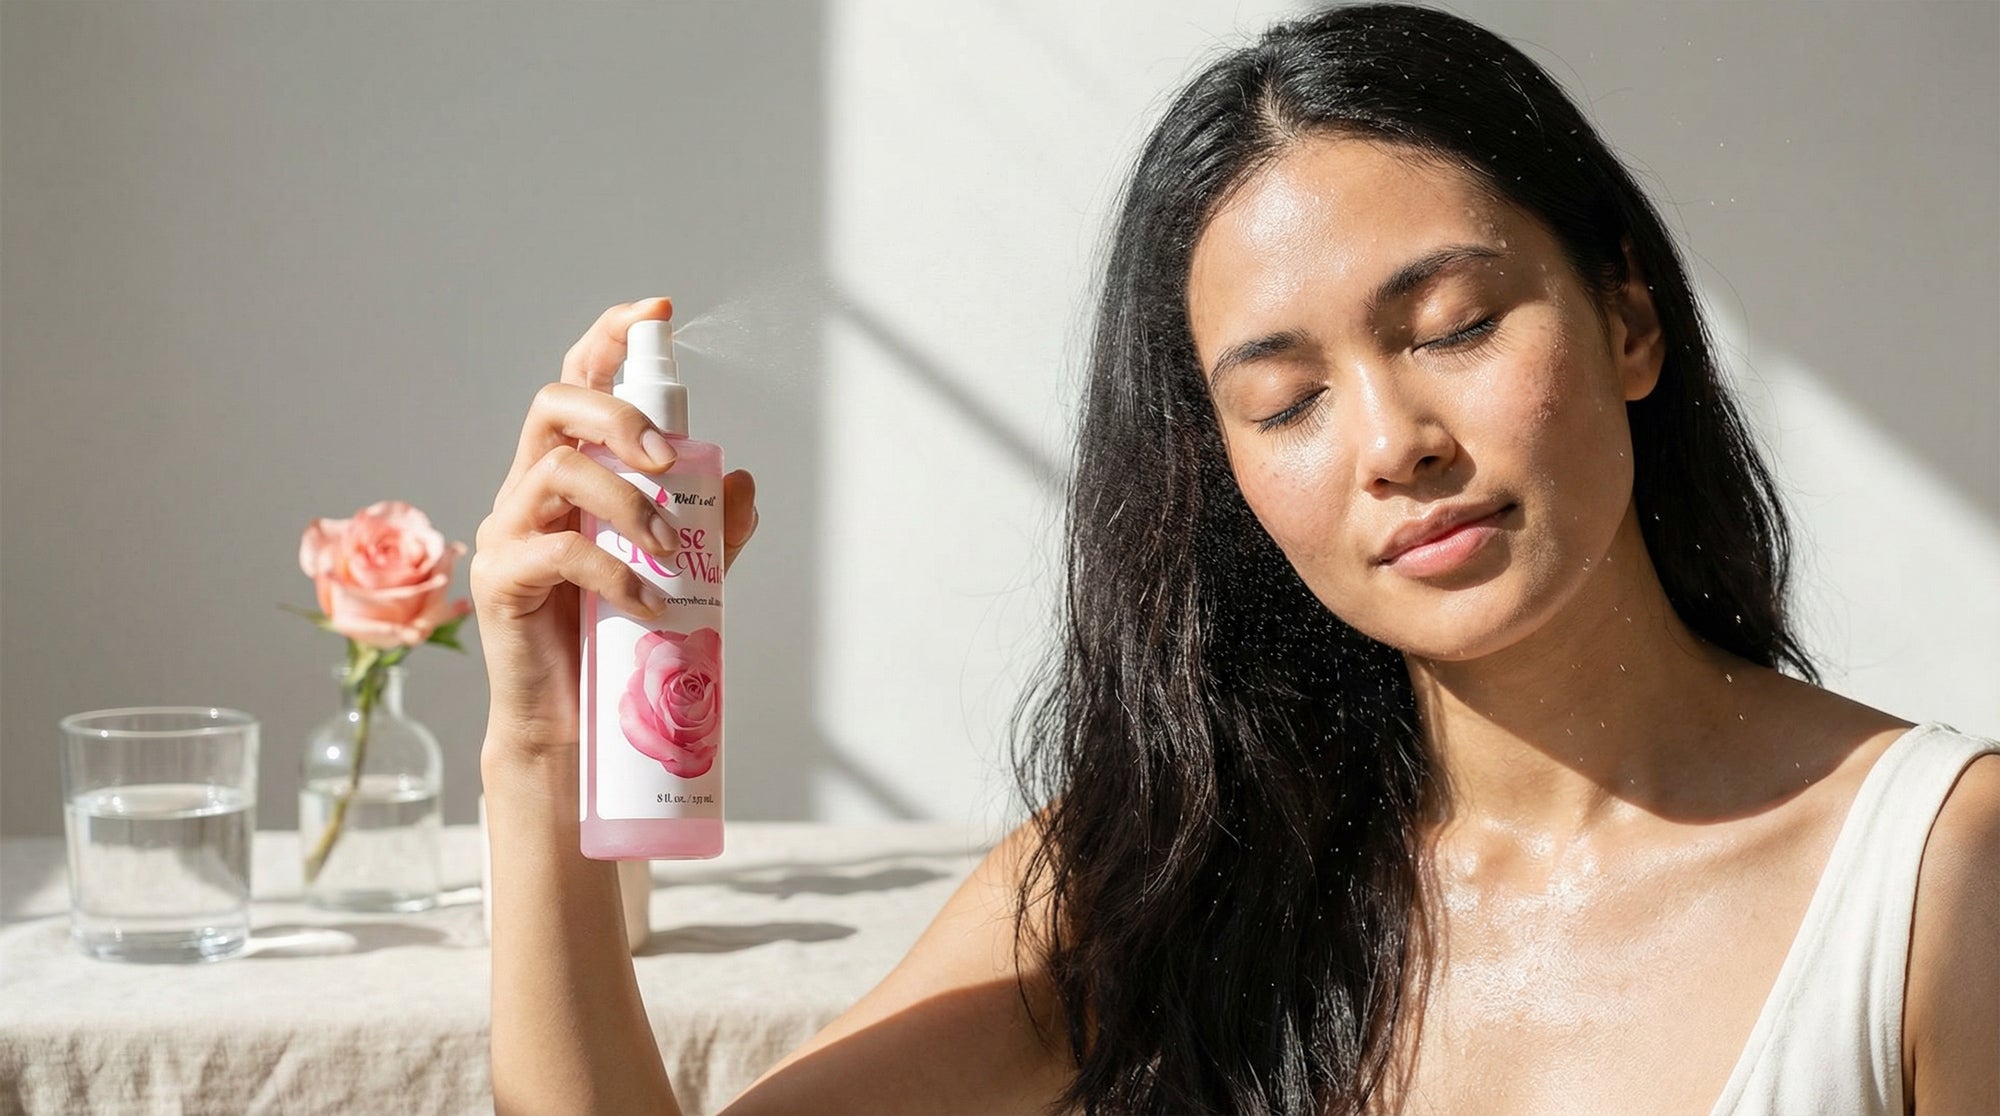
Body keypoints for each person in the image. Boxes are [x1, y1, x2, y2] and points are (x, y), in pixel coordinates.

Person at [472, 4, 1998, 1114]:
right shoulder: (1169, 878)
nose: (1395, 436)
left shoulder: (1938, 874)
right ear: (1230, 474)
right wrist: (541, 754)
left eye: (1456, 325)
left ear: (1629, 321)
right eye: (1287, 400)